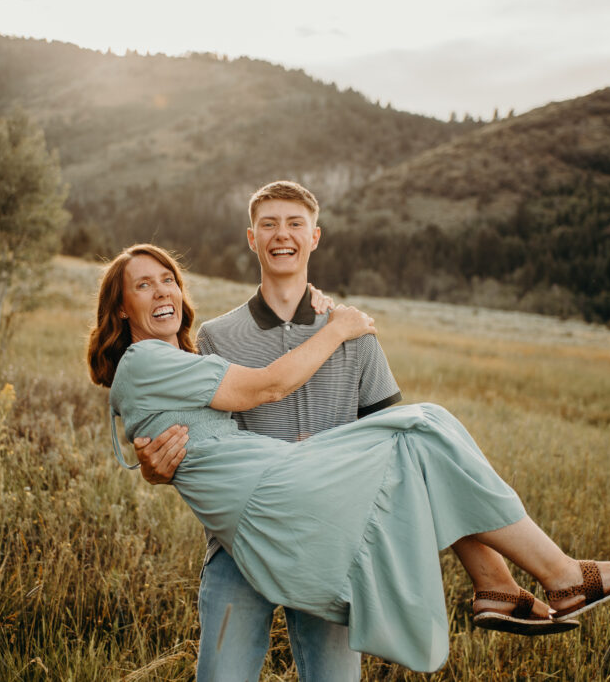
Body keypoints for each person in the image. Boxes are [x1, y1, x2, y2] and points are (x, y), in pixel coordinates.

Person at [86, 243, 610, 674]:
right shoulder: (181, 349)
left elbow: (176, 445)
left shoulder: (177, 357)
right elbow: (263, 389)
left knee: (424, 435)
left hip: (304, 498)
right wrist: (338, 329)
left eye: (169, 280)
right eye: (144, 285)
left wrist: (162, 465)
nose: (162, 291)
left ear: (313, 237)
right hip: (267, 502)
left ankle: (500, 585)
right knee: (426, 429)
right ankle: (551, 576)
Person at [131, 181, 562, 681]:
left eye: (295, 224)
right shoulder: (215, 336)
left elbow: (405, 452)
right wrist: (153, 468)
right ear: (252, 239)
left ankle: (504, 583)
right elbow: (197, 440)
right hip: (239, 547)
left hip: (332, 543)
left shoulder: (353, 332)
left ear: (315, 236)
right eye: (268, 224)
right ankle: (524, 579)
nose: (282, 235)